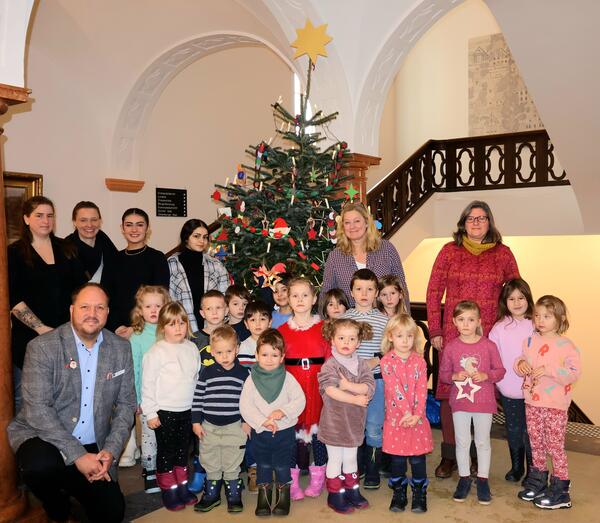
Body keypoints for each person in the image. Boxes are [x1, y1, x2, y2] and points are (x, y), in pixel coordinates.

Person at [8, 283, 136, 523]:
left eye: (100, 307)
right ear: (71, 310)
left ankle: (72, 484)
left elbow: (127, 405)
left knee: (111, 512)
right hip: (45, 438)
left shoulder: (120, 348)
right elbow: (37, 410)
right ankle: (57, 506)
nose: (92, 313)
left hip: (93, 444)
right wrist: (78, 455)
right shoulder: (42, 347)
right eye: (85, 306)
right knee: (40, 466)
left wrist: (111, 449)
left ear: (108, 313)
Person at [426, 200, 519, 479]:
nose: (476, 223)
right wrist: (436, 331)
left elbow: (515, 293)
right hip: (453, 336)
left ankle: (478, 454)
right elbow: (433, 293)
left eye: (481, 218)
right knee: (449, 395)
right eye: (470, 218)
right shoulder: (448, 252)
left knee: (482, 393)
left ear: (490, 222)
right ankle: (450, 456)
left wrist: (510, 331)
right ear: (463, 223)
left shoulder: (503, 254)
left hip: (489, 337)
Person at [8, 196, 86, 408]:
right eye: (39, 215)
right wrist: (42, 328)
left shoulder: (67, 248)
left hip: (67, 336)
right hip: (29, 340)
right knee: (27, 402)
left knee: (65, 399)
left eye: (50, 215)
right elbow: (13, 299)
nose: (45, 221)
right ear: (26, 219)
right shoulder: (13, 253)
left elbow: (82, 291)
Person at [515, 296, 581, 510]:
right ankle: (538, 481)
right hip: (532, 402)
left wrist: (551, 371)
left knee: (555, 446)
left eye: (547, 316)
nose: (540, 320)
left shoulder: (567, 345)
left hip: (554, 405)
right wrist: (521, 364)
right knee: (536, 444)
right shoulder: (530, 341)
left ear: (559, 318)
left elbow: (574, 373)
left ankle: (561, 491)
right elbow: (519, 361)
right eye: (537, 315)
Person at [439, 301, 505, 505]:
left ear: (479, 321)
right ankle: (464, 478)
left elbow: (500, 371)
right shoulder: (451, 347)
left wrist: (486, 375)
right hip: (460, 403)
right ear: (454, 322)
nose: (466, 324)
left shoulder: (488, 345)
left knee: (483, 441)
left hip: (483, 402)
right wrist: (455, 376)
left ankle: (483, 479)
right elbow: (443, 375)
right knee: (462, 441)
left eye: (470, 319)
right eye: (461, 320)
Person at [240, 329, 306, 517]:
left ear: (282, 356)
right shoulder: (251, 379)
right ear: (256, 355)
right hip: (261, 432)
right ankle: (265, 494)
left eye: (274, 355)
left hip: (284, 432)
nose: (269, 359)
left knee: (282, 465)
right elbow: (245, 406)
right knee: (264, 464)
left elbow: (299, 400)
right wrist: (262, 421)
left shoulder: (288, 379)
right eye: (265, 354)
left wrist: (283, 411)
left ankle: (283, 495)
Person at [141, 302, 200, 511]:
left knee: (183, 452)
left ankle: (182, 487)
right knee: (167, 452)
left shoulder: (192, 348)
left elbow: (196, 378)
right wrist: (150, 412)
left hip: (188, 411)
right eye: (172, 324)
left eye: (182, 323)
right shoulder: (156, 352)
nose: (178, 328)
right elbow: (147, 385)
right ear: (162, 327)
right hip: (164, 412)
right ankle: (169, 490)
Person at [278, 277, 331, 500]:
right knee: (293, 438)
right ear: (288, 299)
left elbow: (331, 359)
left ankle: (319, 477)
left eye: (305, 295)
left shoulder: (325, 328)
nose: (300, 300)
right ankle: (292, 481)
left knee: (319, 436)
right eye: (295, 295)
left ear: (314, 298)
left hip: (318, 389)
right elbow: (276, 364)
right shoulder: (281, 330)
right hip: (293, 390)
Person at [318, 319, 375, 514]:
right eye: (341, 338)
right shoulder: (330, 365)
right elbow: (330, 390)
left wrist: (349, 386)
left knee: (351, 459)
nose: (346, 342)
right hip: (334, 423)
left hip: (354, 423)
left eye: (352, 339)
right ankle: (335, 494)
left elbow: (368, 387)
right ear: (332, 340)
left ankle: (352, 490)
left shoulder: (362, 365)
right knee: (335, 459)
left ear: (358, 342)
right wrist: (355, 399)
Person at [192, 326, 250, 513]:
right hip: (209, 425)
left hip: (234, 426)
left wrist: (246, 421)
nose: (224, 356)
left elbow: (247, 400)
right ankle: (212, 493)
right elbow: (198, 398)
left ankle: (233, 493)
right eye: (219, 352)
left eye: (229, 351)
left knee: (232, 459)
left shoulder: (243, 373)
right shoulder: (207, 372)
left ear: (237, 349)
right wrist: (195, 422)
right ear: (211, 351)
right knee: (210, 458)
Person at [341, 269, 389, 489]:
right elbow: (337, 348)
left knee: (373, 426)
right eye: (359, 289)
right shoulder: (344, 318)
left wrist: (376, 360)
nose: (364, 293)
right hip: (350, 383)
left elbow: (391, 349)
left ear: (376, 292)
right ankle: (356, 467)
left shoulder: (384, 320)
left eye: (370, 289)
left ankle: (372, 470)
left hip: (376, 381)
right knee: (353, 426)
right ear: (351, 292)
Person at [381, 314, 433, 513]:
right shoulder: (386, 362)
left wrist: (417, 414)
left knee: (418, 459)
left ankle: (420, 492)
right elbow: (394, 390)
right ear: (391, 337)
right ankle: (399, 491)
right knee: (398, 460)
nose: (405, 340)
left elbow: (422, 389)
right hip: (396, 420)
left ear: (415, 338)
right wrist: (406, 414)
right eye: (400, 335)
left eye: (409, 336)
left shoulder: (419, 361)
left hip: (417, 420)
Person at [123, 285, 172, 492]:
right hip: (148, 398)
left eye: (159, 306)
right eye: (148, 306)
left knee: (167, 436)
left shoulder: (170, 332)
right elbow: (134, 368)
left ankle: (165, 469)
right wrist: (138, 399)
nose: (154, 310)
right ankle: (150, 470)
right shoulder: (137, 337)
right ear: (140, 310)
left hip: (170, 397)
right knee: (150, 437)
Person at [320, 202, 409, 311]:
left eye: (357, 221)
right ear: (343, 227)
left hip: (386, 322)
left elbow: (401, 286)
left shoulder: (386, 248)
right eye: (347, 223)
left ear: (366, 222)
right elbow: (326, 294)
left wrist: (405, 320)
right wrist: (325, 325)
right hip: (349, 323)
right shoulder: (335, 257)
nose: (352, 226)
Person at [489, 278, 535, 483]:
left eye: (521, 298)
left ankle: (534, 470)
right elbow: (492, 356)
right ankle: (517, 467)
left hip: (534, 391)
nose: (517, 302)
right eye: (511, 298)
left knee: (532, 430)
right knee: (514, 429)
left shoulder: (536, 324)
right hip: (508, 389)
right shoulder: (499, 328)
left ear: (528, 299)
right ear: (504, 302)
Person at [106, 208, 170, 337]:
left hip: (147, 330)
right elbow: (106, 295)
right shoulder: (113, 259)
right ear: (122, 228)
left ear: (147, 228)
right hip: (116, 331)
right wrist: (116, 326)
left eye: (140, 225)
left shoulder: (157, 258)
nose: (134, 230)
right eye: (129, 225)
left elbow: (160, 298)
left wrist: (135, 328)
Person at [168, 218, 230, 332]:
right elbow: (169, 301)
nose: (202, 241)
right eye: (196, 236)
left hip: (213, 331)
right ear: (186, 238)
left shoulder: (216, 266)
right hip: (183, 331)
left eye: (205, 237)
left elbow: (225, 298)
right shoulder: (171, 265)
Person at [65, 201, 118, 285]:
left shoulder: (104, 239)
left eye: (94, 220)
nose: (89, 225)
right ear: (74, 222)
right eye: (83, 220)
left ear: (100, 221)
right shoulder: (66, 247)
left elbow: (118, 269)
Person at [238, 301, 273, 368]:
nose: (258, 324)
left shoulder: (275, 343)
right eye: (253, 320)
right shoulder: (244, 347)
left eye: (262, 319)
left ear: (270, 322)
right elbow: (244, 372)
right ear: (246, 324)